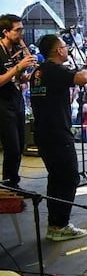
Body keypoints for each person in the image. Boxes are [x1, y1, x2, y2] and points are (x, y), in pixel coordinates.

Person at [29, 34, 87, 241]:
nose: (67, 48)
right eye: (64, 46)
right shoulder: (54, 70)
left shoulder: (38, 72)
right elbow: (81, 78)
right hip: (58, 133)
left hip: (43, 132)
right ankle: (60, 225)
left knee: (56, 178)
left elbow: (68, 84)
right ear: (58, 51)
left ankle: (54, 224)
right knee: (69, 178)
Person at [0, 14, 37, 188]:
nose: (21, 33)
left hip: (17, 101)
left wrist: (29, 76)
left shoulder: (14, 50)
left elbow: (17, 78)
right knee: (12, 146)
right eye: (18, 30)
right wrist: (19, 66)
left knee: (20, 144)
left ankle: (13, 180)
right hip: (3, 105)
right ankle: (9, 182)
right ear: (5, 32)